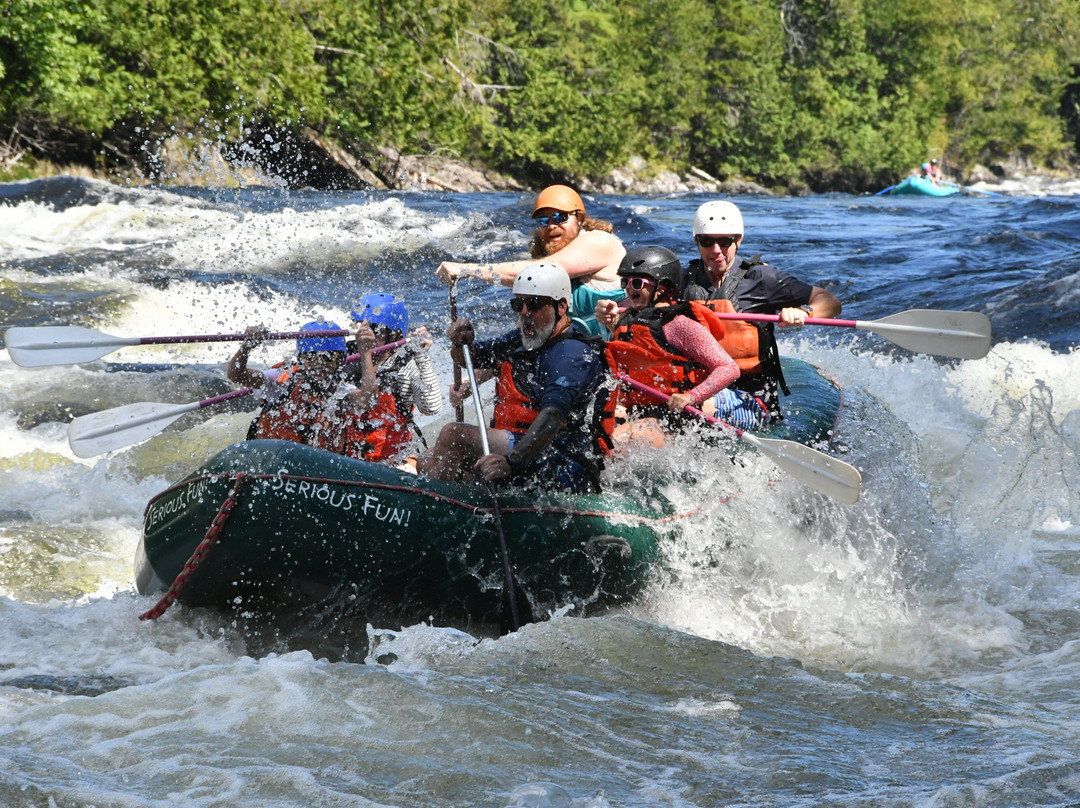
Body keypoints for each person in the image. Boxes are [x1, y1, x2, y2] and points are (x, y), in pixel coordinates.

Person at [417, 263, 613, 494]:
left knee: (453, 434)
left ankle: (437, 507)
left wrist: (512, 461)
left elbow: (553, 417)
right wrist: (461, 341)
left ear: (561, 307)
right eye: (518, 304)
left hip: (565, 464)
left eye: (534, 305)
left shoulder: (572, 356)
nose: (524, 313)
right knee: (428, 459)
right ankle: (458, 506)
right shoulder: (526, 338)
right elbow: (468, 359)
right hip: (526, 452)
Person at [682, 200, 842, 420]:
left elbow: (829, 301)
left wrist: (806, 312)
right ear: (696, 241)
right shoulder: (682, 281)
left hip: (752, 396)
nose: (716, 250)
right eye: (707, 241)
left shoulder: (761, 279)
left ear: (738, 240)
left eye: (725, 241)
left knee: (703, 403)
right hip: (695, 387)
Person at [596, 246, 769, 432]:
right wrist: (606, 319)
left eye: (637, 283)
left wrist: (691, 397)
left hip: (721, 405)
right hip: (657, 404)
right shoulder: (627, 318)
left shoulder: (679, 325)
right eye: (625, 282)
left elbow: (728, 369)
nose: (629, 288)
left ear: (663, 287)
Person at [434, 184, 626, 334]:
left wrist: (467, 270)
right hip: (574, 362)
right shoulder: (544, 278)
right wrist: (474, 379)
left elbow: (547, 269)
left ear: (579, 218)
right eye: (543, 220)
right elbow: (523, 335)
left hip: (615, 359)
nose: (551, 225)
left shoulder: (600, 242)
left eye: (560, 217)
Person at [228, 320, 378, 455]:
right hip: (271, 461)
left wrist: (365, 353)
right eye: (310, 356)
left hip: (315, 472)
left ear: (340, 360)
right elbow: (236, 375)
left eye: (327, 357)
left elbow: (368, 400)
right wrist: (247, 346)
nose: (318, 363)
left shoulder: (341, 391)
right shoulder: (281, 380)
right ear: (300, 359)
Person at [344, 293, 443, 460]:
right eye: (361, 326)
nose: (366, 334)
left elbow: (430, 408)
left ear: (395, 335)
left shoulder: (406, 366)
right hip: (347, 459)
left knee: (415, 463)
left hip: (393, 461)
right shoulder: (346, 359)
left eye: (375, 328)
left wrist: (421, 355)